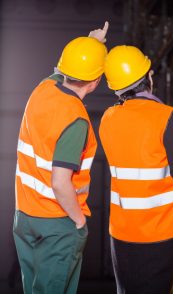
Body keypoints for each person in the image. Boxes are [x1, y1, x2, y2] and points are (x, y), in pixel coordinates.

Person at [13, 23, 109, 294]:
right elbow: (59, 182)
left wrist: (90, 43)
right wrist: (79, 222)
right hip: (57, 220)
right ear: (96, 81)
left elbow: (60, 72)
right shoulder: (75, 119)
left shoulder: (42, 89)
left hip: (25, 216)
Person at [99, 45, 173, 293]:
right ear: (149, 78)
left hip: (122, 235)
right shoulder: (168, 117)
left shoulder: (108, 119)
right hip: (160, 234)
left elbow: (140, 153)